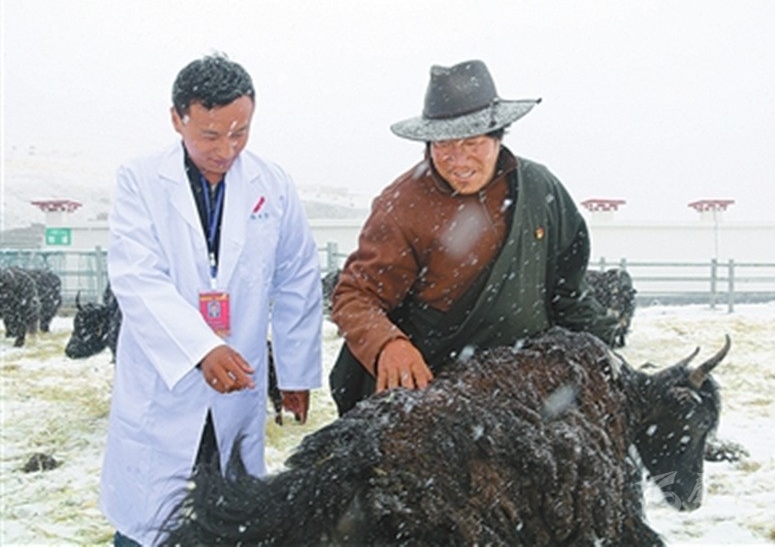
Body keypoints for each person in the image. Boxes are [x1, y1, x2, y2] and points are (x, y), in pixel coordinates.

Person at [100, 54, 323, 546]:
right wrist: (201, 348)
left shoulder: (273, 184)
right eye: (210, 135)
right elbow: (138, 278)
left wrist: (295, 372)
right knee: (149, 526)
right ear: (177, 118)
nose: (227, 149)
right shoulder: (141, 180)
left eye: (240, 132)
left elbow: (297, 277)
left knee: (232, 518)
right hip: (164, 384)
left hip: (238, 382)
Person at [330, 59, 617, 415]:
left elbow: (568, 291)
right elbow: (355, 296)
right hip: (437, 393)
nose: (458, 160)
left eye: (472, 142)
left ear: (498, 137)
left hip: (527, 392)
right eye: (443, 145)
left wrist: (604, 346)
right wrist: (388, 344)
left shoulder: (540, 188)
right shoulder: (402, 205)